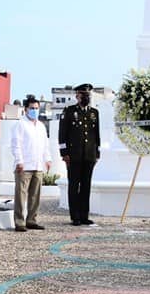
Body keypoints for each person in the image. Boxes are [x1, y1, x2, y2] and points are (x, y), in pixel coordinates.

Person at [59, 83, 101, 226]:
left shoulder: (94, 113)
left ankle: (84, 215)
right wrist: (64, 153)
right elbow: (62, 134)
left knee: (86, 186)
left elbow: (96, 135)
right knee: (73, 186)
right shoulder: (69, 111)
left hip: (89, 155)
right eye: (83, 94)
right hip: (73, 156)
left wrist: (97, 153)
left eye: (88, 95)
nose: (86, 97)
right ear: (77, 96)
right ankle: (75, 216)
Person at [11, 95, 51, 232]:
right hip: (24, 166)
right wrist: (19, 161)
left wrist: (48, 159)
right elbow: (16, 144)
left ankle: (31, 220)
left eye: (36, 108)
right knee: (21, 195)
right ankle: (19, 222)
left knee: (35, 195)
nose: (34, 110)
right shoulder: (20, 124)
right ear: (25, 109)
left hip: (38, 165)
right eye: (31, 108)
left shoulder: (41, 126)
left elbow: (45, 144)